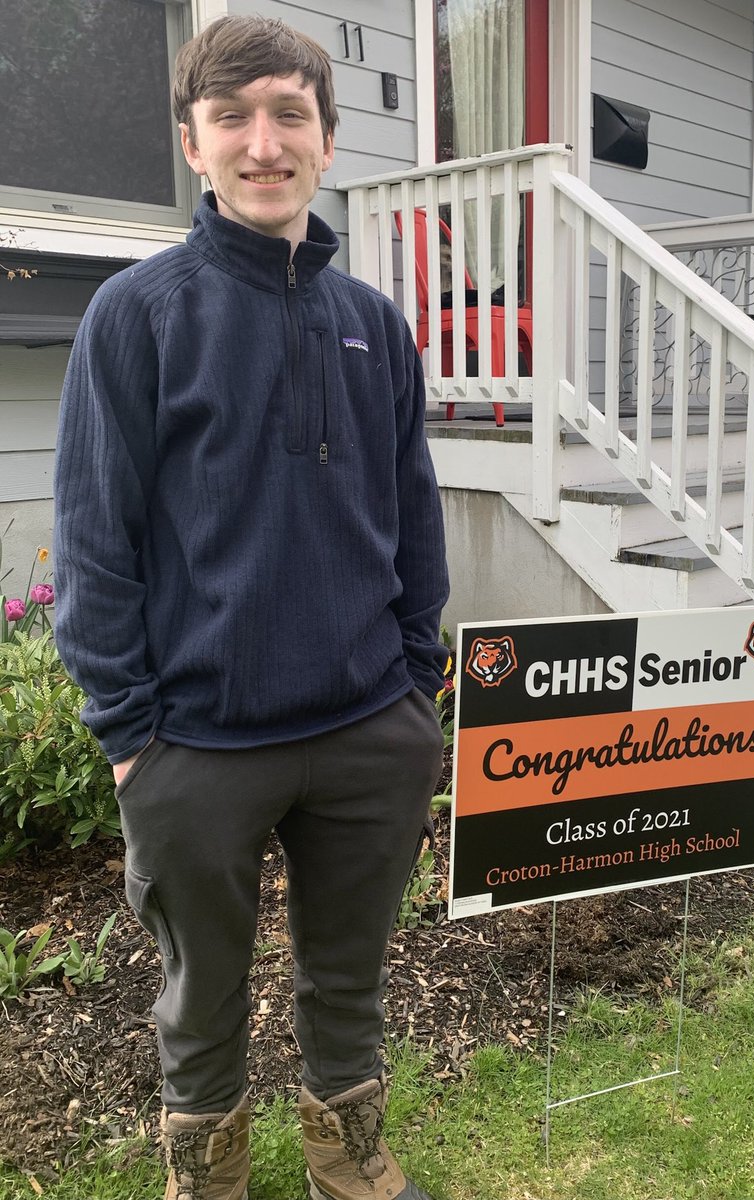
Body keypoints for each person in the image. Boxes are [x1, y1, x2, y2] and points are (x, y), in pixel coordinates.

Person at [53, 15, 449, 1200]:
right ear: (194, 143)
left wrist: (413, 688)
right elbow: (95, 539)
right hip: (197, 747)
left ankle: (348, 1161)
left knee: (351, 976)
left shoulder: (373, 323)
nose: (263, 143)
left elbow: (414, 516)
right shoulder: (136, 315)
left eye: (290, 116)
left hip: (366, 731)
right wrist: (132, 737)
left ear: (328, 142)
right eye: (233, 118)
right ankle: (208, 1180)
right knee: (200, 990)